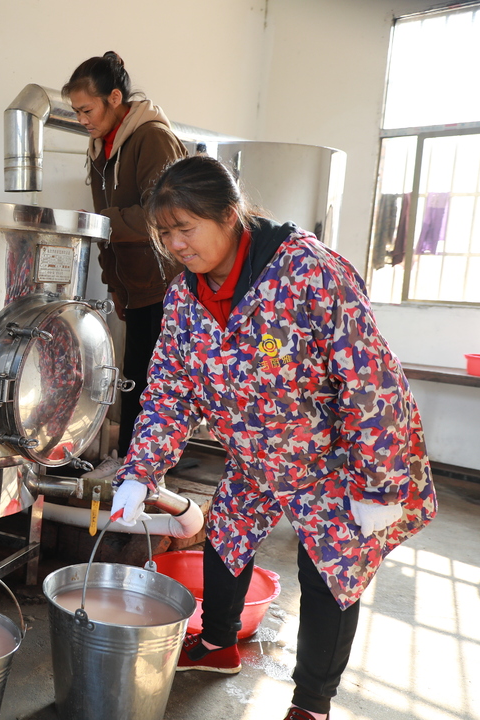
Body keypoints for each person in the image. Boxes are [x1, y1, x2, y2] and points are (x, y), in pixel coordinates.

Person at [108, 155, 438, 720]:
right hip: (254, 452)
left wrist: (378, 487)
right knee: (225, 539)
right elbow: (167, 390)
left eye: (185, 229)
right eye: (164, 235)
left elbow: (371, 381)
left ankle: (311, 704)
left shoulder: (308, 272)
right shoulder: (185, 300)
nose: (175, 246)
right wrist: (141, 471)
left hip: (329, 460)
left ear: (231, 216)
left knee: (330, 572)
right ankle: (217, 646)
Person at [61, 52, 187, 480]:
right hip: (134, 285)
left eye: (86, 110)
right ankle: (133, 461)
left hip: (166, 281)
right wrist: (114, 282)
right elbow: (107, 227)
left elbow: (161, 213)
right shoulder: (101, 149)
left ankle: (145, 468)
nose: (81, 120)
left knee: (158, 381)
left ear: (115, 98)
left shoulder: (152, 138)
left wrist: (99, 225)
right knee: (135, 376)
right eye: (76, 112)